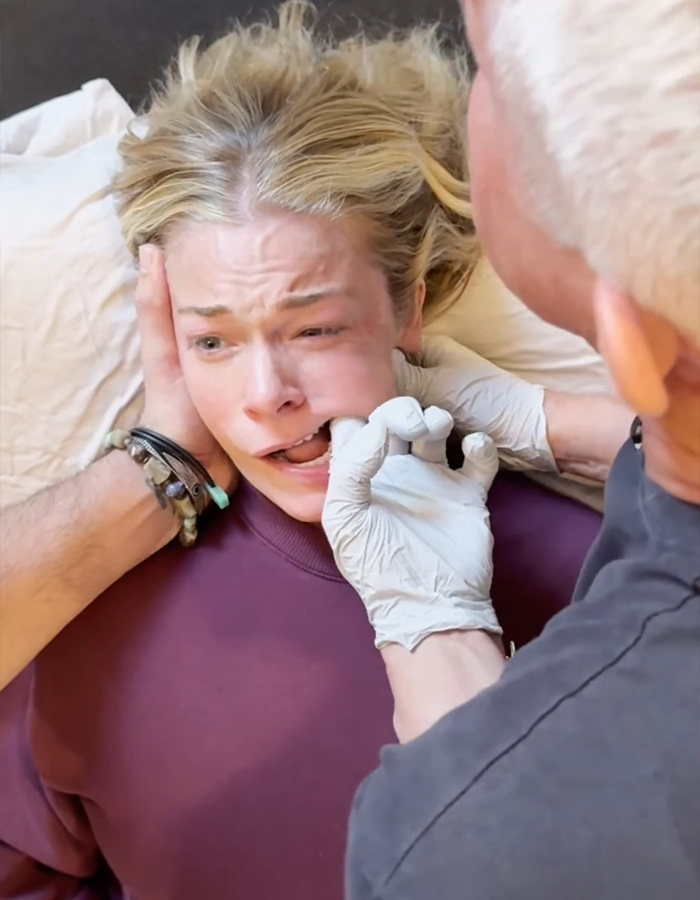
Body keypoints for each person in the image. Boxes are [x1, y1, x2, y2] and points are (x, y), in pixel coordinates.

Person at [0, 6, 616, 897]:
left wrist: (558, 423)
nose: (266, 393)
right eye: (213, 341)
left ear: (412, 308)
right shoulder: (81, 617)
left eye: (315, 326)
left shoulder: (595, 570)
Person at [332, 0, 700, 897]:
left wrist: (436, 631)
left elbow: (505, 832)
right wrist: (561, 425)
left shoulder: (453, 847)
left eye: (486, 72)